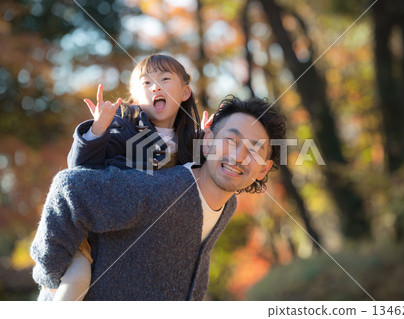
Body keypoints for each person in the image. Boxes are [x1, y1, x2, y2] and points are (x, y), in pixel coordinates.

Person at [30, 95, 286, 301]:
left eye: (254, 149)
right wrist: (53, 279)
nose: (239, 156)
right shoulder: (161, 191)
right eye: (230, 140)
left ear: (263, 169)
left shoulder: (228, 204)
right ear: (207, 143)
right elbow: (69, 188)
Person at [52, 54, 202, 301]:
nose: (155, 86)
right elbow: (79, 171)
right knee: (77, 281)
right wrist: (97, 129)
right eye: (146, 82)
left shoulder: (189, 141)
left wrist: (207, 145)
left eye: (165, 78)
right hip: (95, 235)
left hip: (145, 238)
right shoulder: (122, 130)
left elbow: (198, 181)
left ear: (185, 92)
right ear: (134, 96)